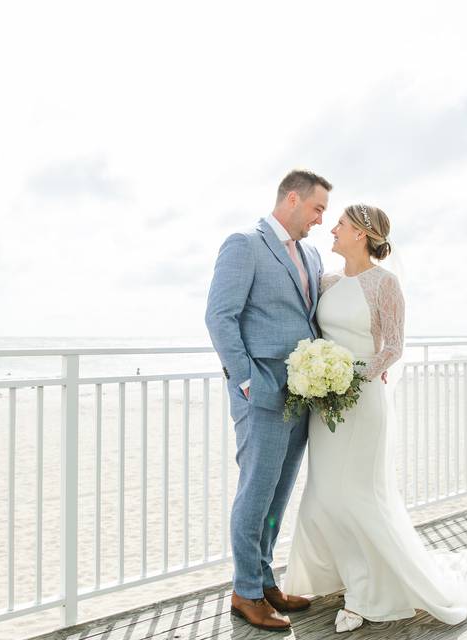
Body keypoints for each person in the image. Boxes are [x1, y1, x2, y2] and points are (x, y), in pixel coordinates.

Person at [282, 204, 467, 632]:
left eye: (341, 224)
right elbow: (317, 337)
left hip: (362, 402)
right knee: (324, 493)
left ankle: (368, 594)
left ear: (362, 234)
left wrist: (350, 378)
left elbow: (393, 347)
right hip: (326, 406)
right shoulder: (328, 281)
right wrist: (317, 374)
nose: (333, 229)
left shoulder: (385, 284)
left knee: (358, 495)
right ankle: (332, 576)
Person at [205, 169, 332, 632]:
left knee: (279, 495)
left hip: (302, 392)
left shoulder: (313, 254)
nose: (321, 219)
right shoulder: (244, 244)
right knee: (255, 493)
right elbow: (220, 316)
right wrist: (244, 380)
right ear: (293, 200)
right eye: (318, 208)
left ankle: (265, 580)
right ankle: (245, 592)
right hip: (260, 391)